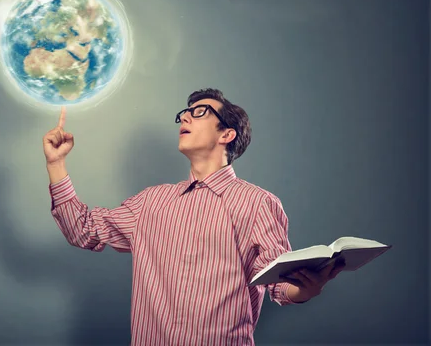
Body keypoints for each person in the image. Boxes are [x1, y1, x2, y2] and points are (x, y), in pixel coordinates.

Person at [42, 88, 345, 345]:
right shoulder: (151, 202)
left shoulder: (257, 203)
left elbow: (277, 282)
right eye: (184, 114)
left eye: (199, 112)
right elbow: (83, 230)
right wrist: (56, 164)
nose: (185, 117)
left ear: (227, 134)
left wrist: (306, 289)